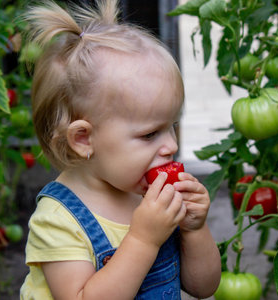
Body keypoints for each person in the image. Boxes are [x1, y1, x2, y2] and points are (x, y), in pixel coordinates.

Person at [19, 0, 221, 299]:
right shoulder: (58, 219)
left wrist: (194, 229)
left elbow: (202, 287)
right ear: (84, 139)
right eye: (150, 134)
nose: (172, 146)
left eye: (172, 126)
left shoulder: (146, 194)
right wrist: (142, 240)